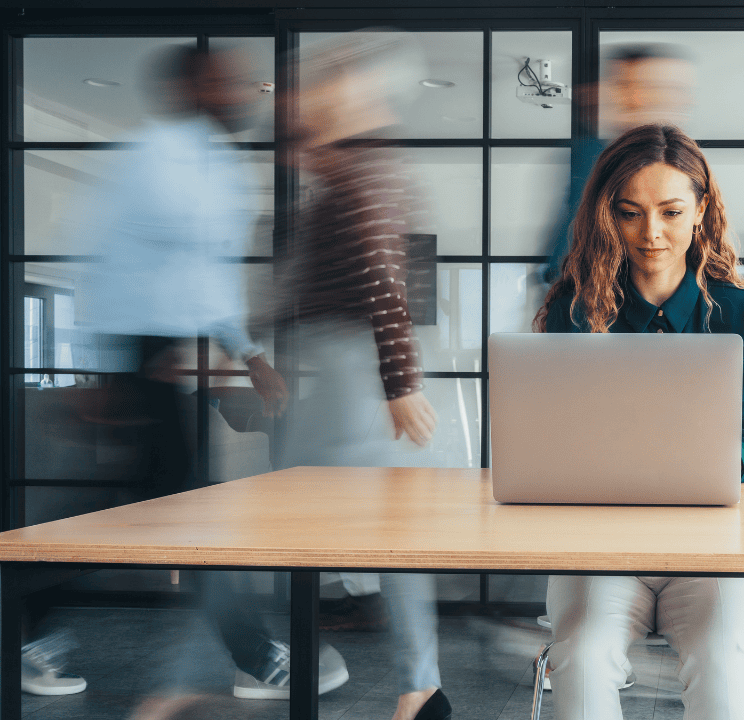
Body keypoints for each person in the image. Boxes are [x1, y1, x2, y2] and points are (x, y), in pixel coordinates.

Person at [71, 44, 355, 706]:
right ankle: (254, 657)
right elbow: (100, 259)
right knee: (173, 512)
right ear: (188, 89)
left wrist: (251, 355)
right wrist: (103, 369)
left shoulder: (220, 168)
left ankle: (30, 624)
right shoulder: (148, 158)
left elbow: (209, 279)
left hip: (171, 356)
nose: (239, 93)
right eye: (224, 83)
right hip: (137, 355)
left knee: (140, 513)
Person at [533, 123, 744, 720]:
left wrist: (724, 463)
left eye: (671, 212)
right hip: (600, 549)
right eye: (630, 213)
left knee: (722, 663)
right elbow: (552, 439)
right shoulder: (574, 310)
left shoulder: (738, 311)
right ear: (607, 216)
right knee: (581, 659)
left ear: (700, 212)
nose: (652, 234)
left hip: (711, 551)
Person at [277, 31, 450, 720]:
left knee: (279, 519)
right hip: (340, 366)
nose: (310, 103)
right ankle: (419, 685)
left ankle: (412, 683)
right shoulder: (347, 167)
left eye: (325, 89)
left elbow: (382, 280)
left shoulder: (367, 170)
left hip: (353, 369)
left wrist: (399, 382)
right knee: (385, 530)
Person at [542, 43, 696, 284]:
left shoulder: (682, 165)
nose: (679, 102)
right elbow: (567, 258)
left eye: (679, 90)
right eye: (661, 89)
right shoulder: (595, 161)